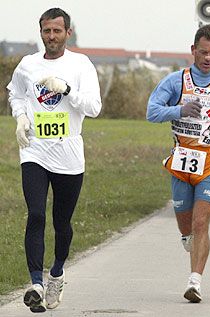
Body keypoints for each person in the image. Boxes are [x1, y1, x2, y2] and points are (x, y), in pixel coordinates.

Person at [7, 8, 101, 312]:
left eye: (57, 31)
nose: (52, 37)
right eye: (47, 31)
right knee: (35, 214)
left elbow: (94, 106)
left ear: (67, 33)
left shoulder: (80, 65)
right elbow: (16, 93)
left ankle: (56, 273)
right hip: (34, 151)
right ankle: (35, 282)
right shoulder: (28, 65)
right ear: (41, 33)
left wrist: (67, 90)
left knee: (62, 224)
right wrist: (21, 117)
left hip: (69, 154)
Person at [146, 24, 210, 303]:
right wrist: (178, 109)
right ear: (193, 50)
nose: (208, 58)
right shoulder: (176, 81)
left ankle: (195, 281)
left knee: (201, 223)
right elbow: (151, 112)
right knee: (186, 226)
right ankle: (188, 241)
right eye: (203, 52)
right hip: (182, 163)